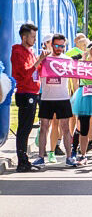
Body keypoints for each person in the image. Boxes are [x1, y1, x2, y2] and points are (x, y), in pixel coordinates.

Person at [31, 34, 77, 168]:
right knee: (44, 127)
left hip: (62, 98)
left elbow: (75, 75)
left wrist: (75, 93)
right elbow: (32, 70)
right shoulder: (45, 58)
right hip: (47, 98)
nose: (59, 48)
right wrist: (40, 59)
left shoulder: (68, 60)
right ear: (51, 44)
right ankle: (41, 157)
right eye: (56, 45)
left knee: (65, 128)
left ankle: (69, 157)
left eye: (62, 46)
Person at [12, 23, 50, 172]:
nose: (35, 39)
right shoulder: (17, 51)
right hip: (25, 92)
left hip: (33, 92)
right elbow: (24, 72)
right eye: (32, 37)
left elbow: (37, 69)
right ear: (24, 37)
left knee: (27, 128)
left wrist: (43, 60)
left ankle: (24, 159)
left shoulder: (31, 51)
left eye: (35, 36)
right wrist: (38, 60)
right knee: (24, 128)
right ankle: (22, 161)